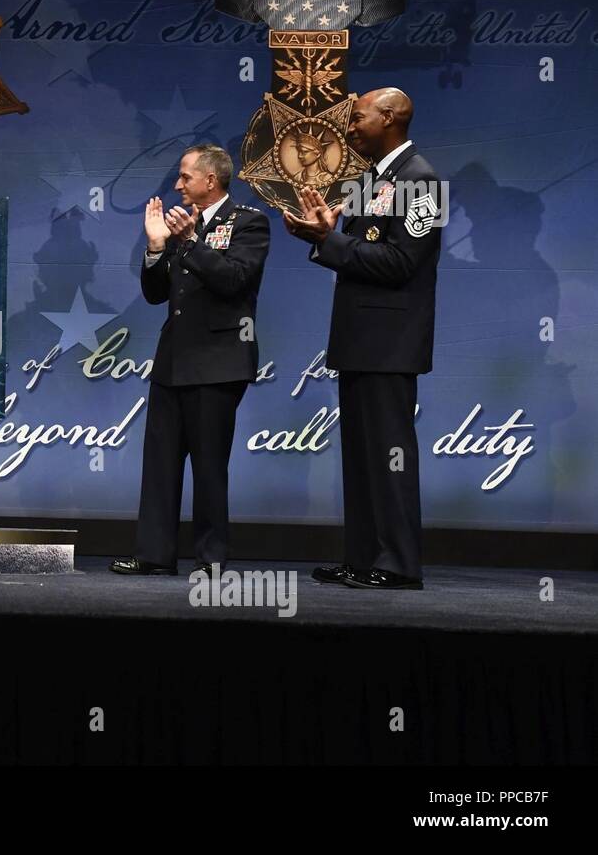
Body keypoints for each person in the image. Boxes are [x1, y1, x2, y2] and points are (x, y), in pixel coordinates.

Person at [283, 87, 441, 590]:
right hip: (359, 339)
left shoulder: (422, 179)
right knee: (361, 458)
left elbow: (402, 262)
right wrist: (327, 233)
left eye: (357, 118)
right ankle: (363, 556)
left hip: (390, 342)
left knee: (390, 455)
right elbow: (355, 247)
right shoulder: (369, 179)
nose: (350, 126)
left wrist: (329, 240)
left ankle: (398, 563)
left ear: (389, 117)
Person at [112, 144, 270, 577]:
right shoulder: (181, 225)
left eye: (184, 177)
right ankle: (154, 555)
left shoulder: (249, 223)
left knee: (209, 465)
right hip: (173, 360)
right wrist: (155, 247)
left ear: (210, 181)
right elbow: (156, 293)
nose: (178, 184)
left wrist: (190, 242)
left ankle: (211, 559)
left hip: (219, 361)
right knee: (160, 462)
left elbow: (233, 280)